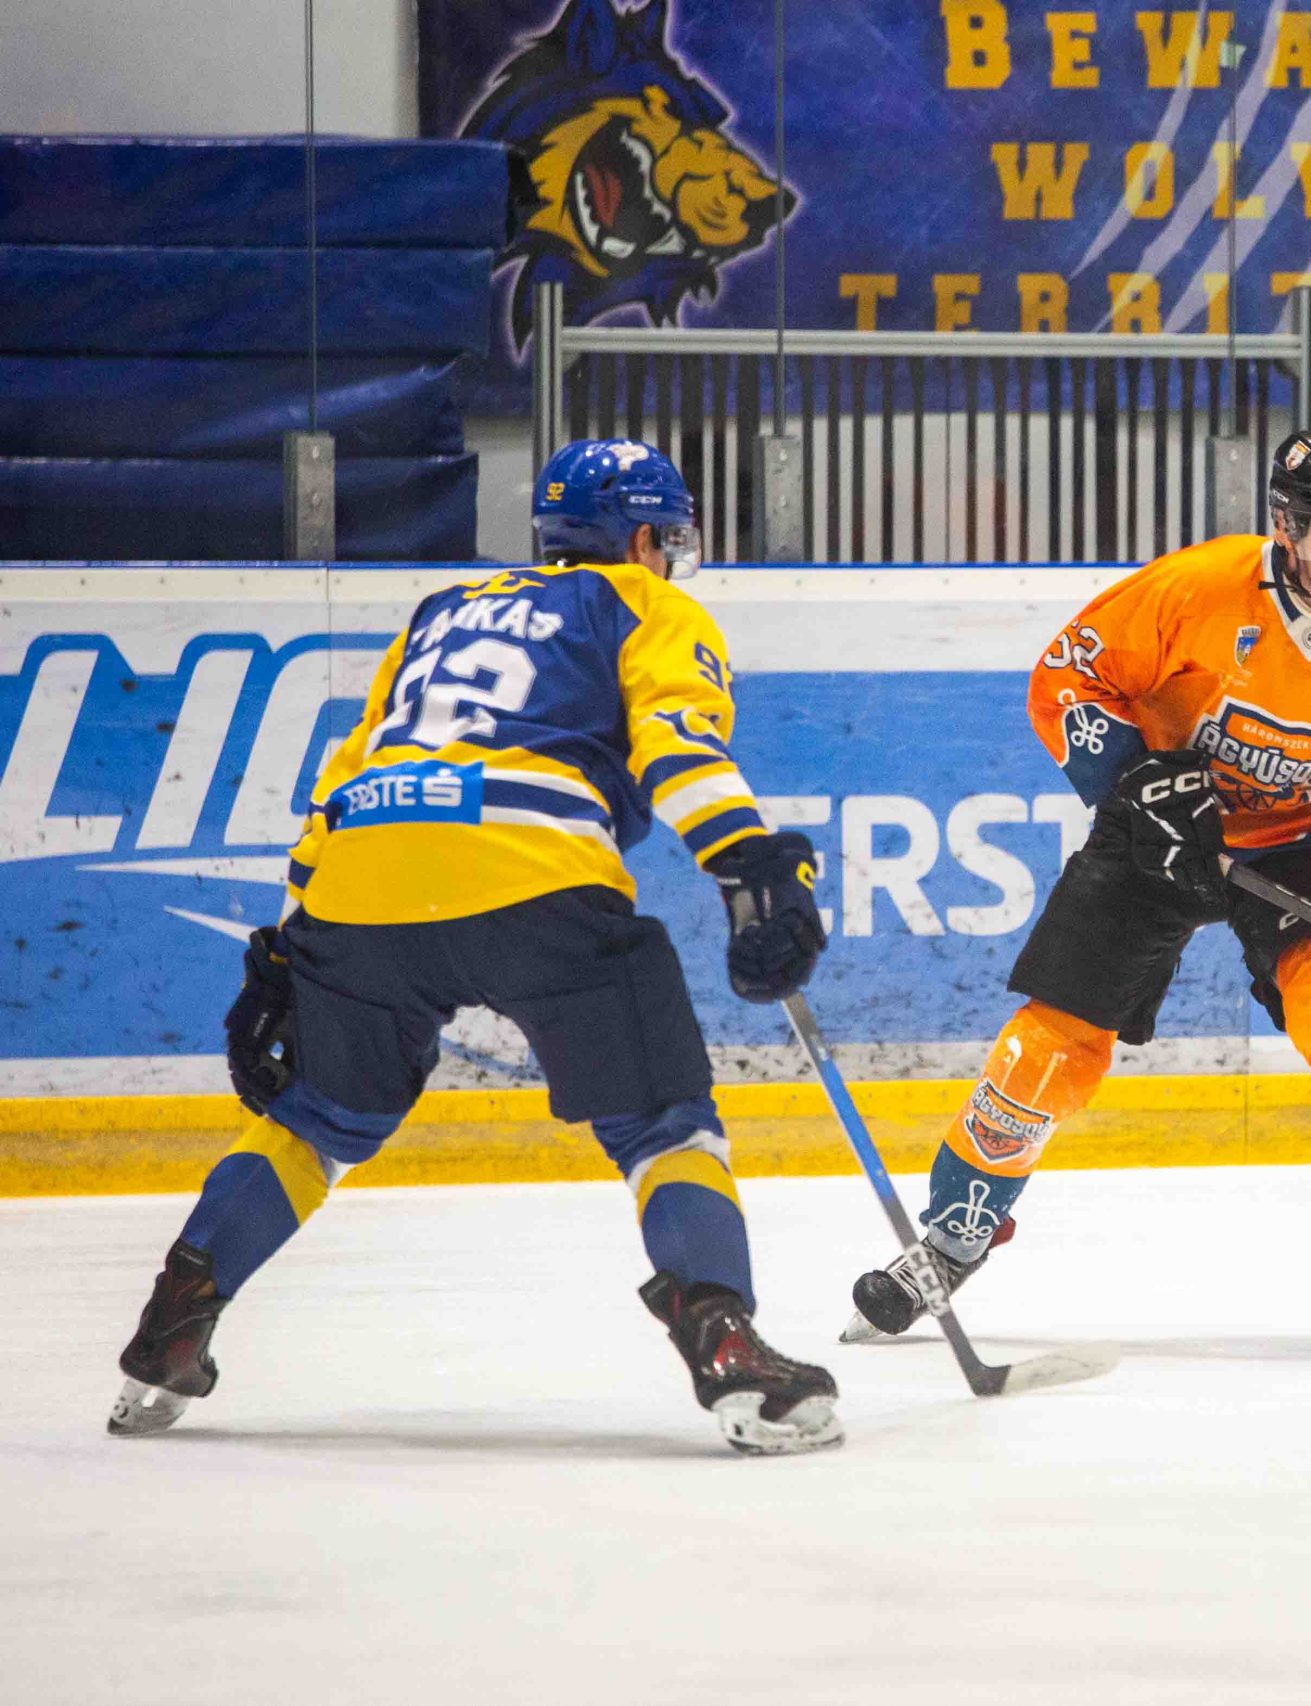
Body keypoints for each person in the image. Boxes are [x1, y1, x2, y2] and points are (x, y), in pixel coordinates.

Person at [109, 439, 841, 1454]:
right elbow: (679, 744)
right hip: (531, 870)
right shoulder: (643, 603)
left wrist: (286, 942)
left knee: (314, 1121)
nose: (671, 557)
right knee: (664, 1127)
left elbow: (346, 774)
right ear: (641, 538)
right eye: (667, 538)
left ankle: (171, 1326)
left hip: (360, 879)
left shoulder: (440, 611)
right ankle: (725, 1347)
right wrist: (747, 864)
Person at [845, 427, 1311, 1356]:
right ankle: (952, 1240)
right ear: (1287, 530)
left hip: (1303, 847)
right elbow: (1070, 675)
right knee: (1047, 1047)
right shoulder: (1196, 589)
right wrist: (1132, 779)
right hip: (1156, 831)